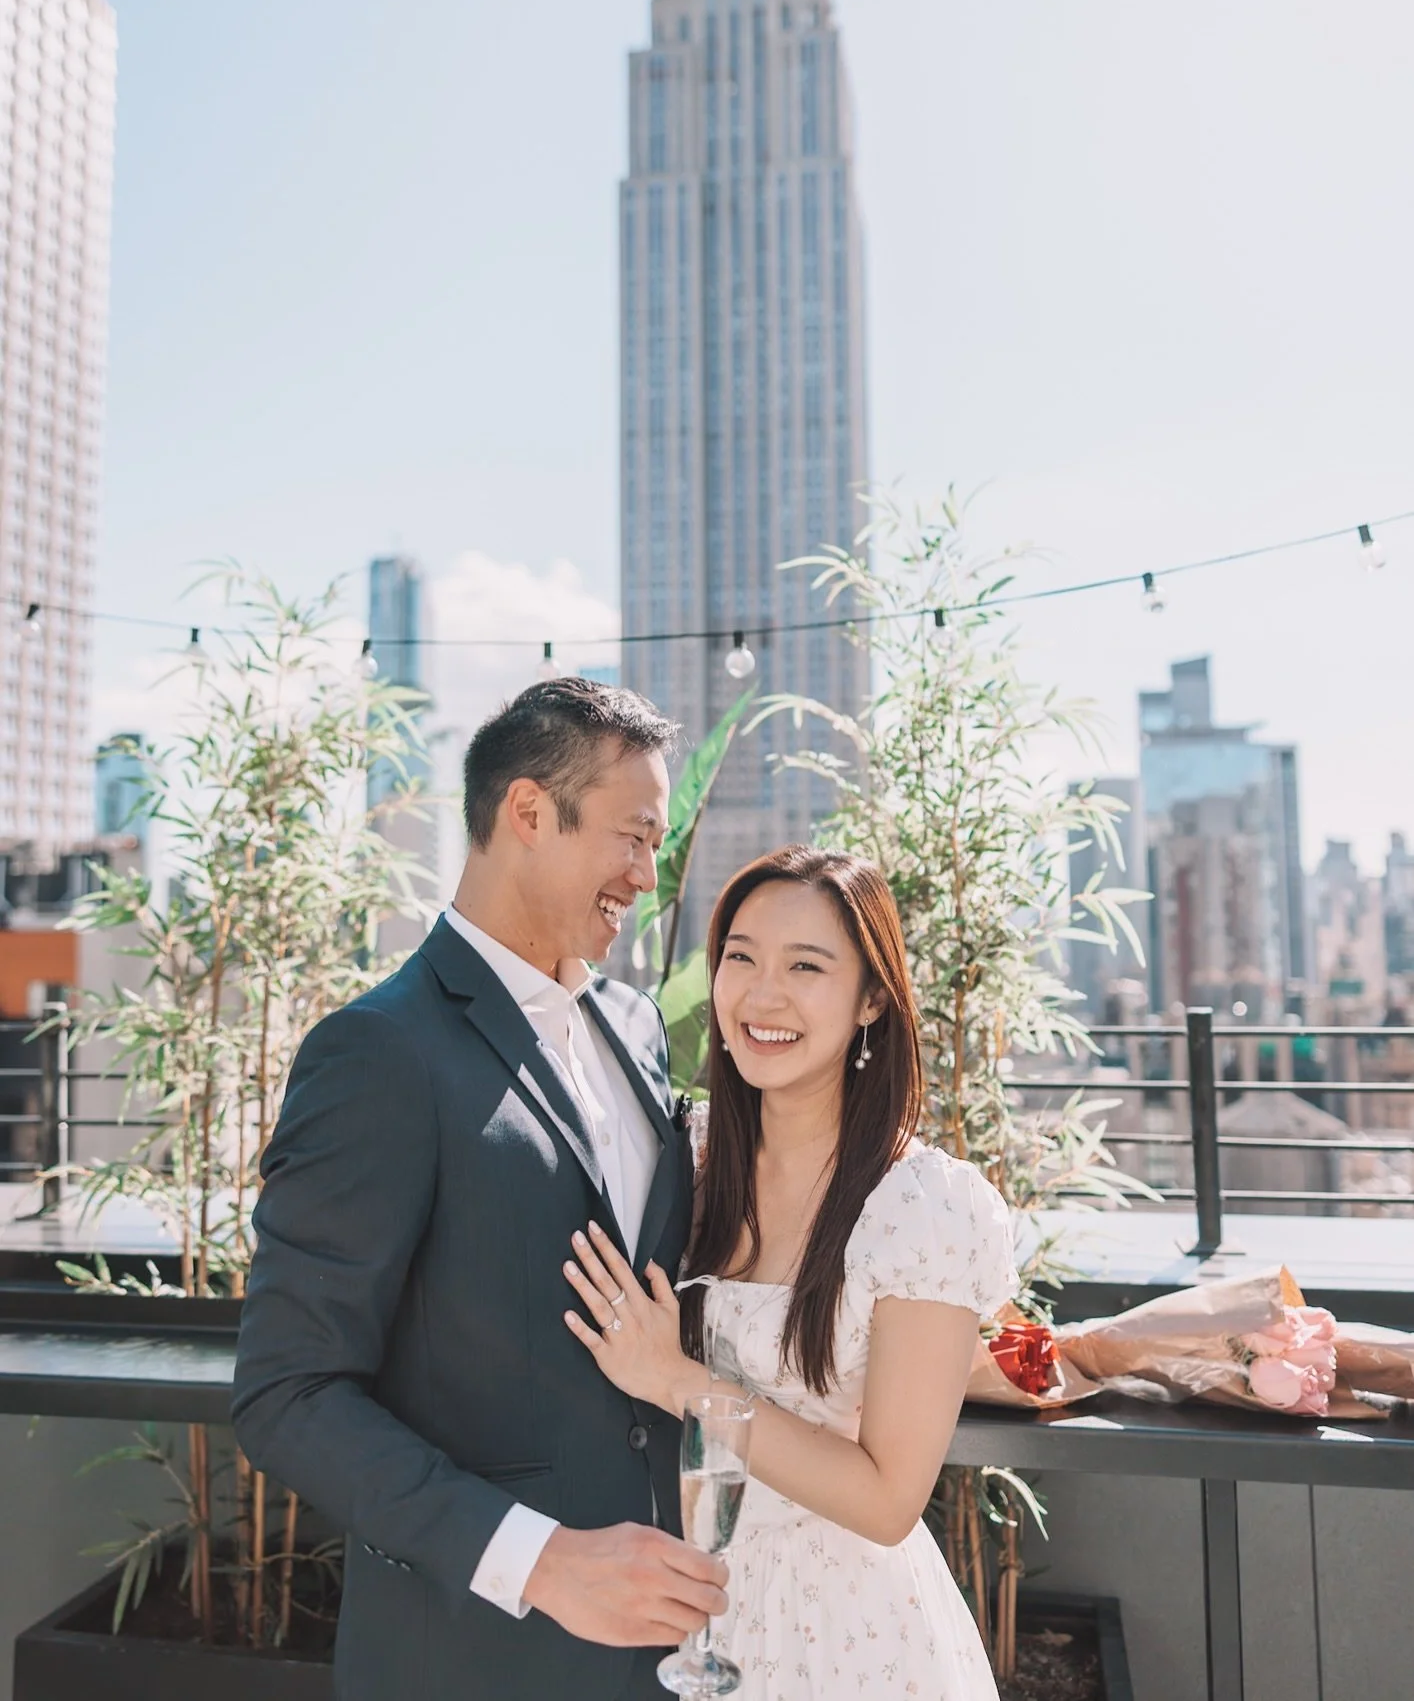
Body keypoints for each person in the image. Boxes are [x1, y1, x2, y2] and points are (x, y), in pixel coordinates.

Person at [232, 678, 728, 1701]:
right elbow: (289, 1393)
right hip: (469, 1655)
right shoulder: (377, 1051)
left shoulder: (635, 1024)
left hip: (668, 1647)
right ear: (530, 813)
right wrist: (542, 1561)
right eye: (633, 836)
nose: (649, 872)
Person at [559, 845, 1018, 1699]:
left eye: (806, 966)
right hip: (677, 1603)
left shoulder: (923, 1207)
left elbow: (888, 1498)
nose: (762, 995)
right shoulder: (680, 1165)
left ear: (872, 997)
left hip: (848, 1632)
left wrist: (682, 1382)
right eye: (741, 957)